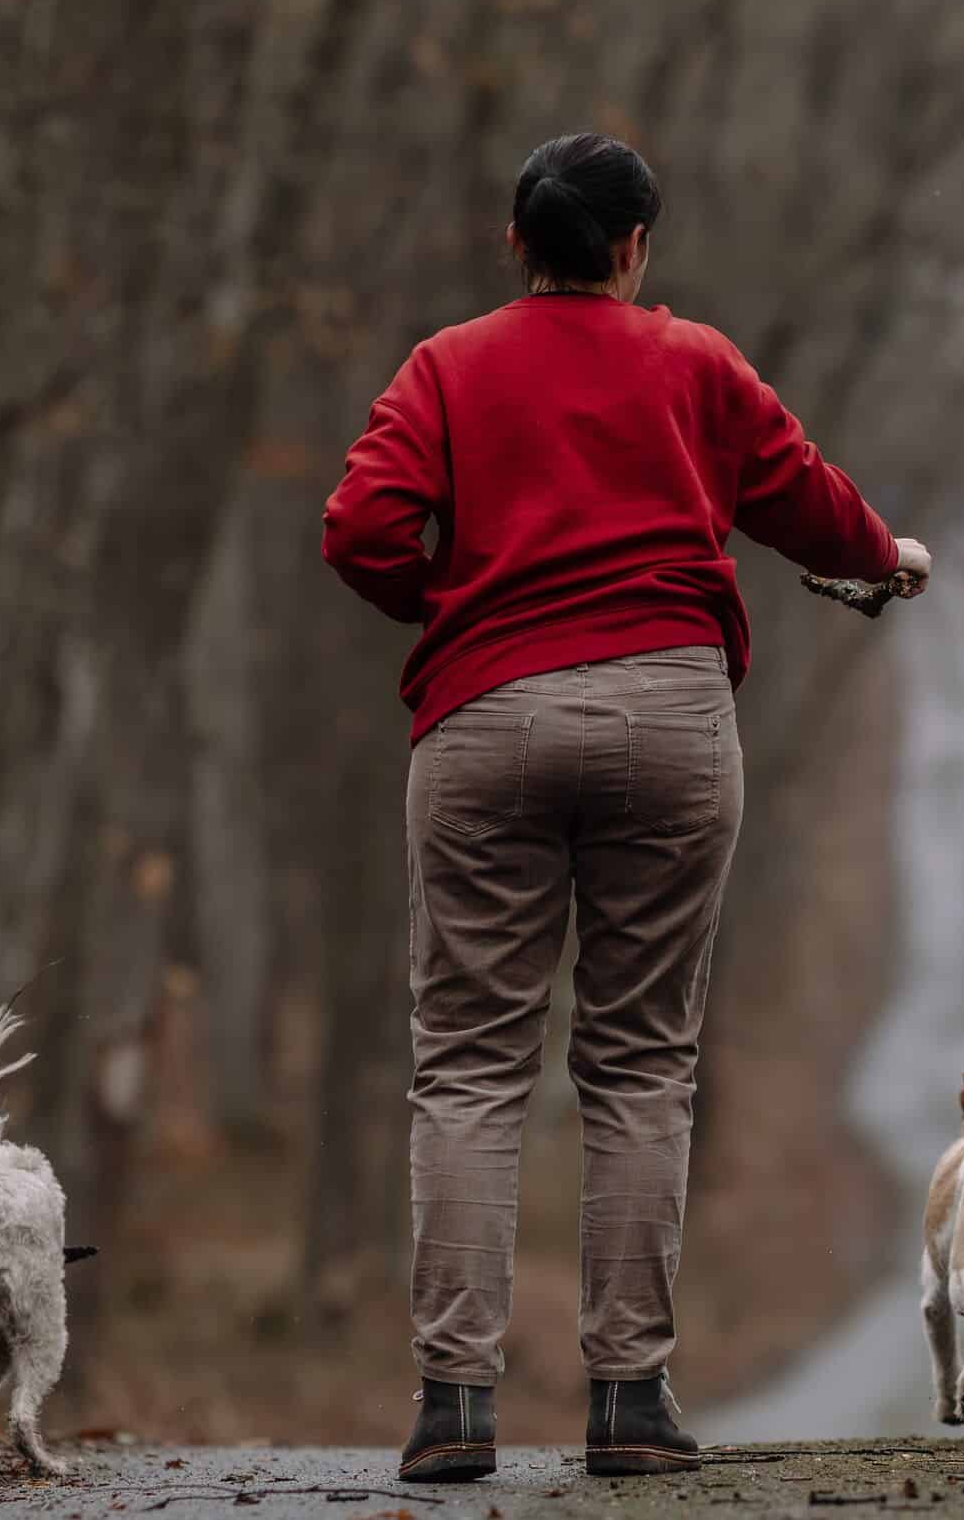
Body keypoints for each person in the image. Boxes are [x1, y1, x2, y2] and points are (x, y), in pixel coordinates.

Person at [321, 133, 930, 1482]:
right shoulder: (694, 363)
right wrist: (886, 559)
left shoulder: (446, 366)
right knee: (640, 1059)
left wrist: (455, 611)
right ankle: (629, 1404)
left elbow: (361, 526)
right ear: (637, 247)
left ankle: (455, 1408)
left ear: (515, 242)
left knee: (472, 1063)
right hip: (669, 716)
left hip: (485, 718)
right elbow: (810, 505)